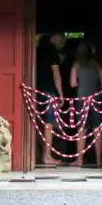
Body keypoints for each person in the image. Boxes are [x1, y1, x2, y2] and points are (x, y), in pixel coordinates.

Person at [70, 41, 102, 167]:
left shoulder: (76, 64)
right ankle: (99, 160)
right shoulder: (97, 65)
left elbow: (73, 83)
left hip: (81, 99)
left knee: (82, 130)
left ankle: (79, 160)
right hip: (96, 99)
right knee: (97, 130)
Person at [36, 32, 65, 165]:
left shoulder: (36, 51)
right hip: (48, 91)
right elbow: (56, 73)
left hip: (35, 91)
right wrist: (60, 93)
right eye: (60, 37)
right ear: (53, 37)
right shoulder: (51, 51)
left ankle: (40, 154)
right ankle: (47, 155)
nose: (62, 40)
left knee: (39, 123)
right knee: (49, 124)